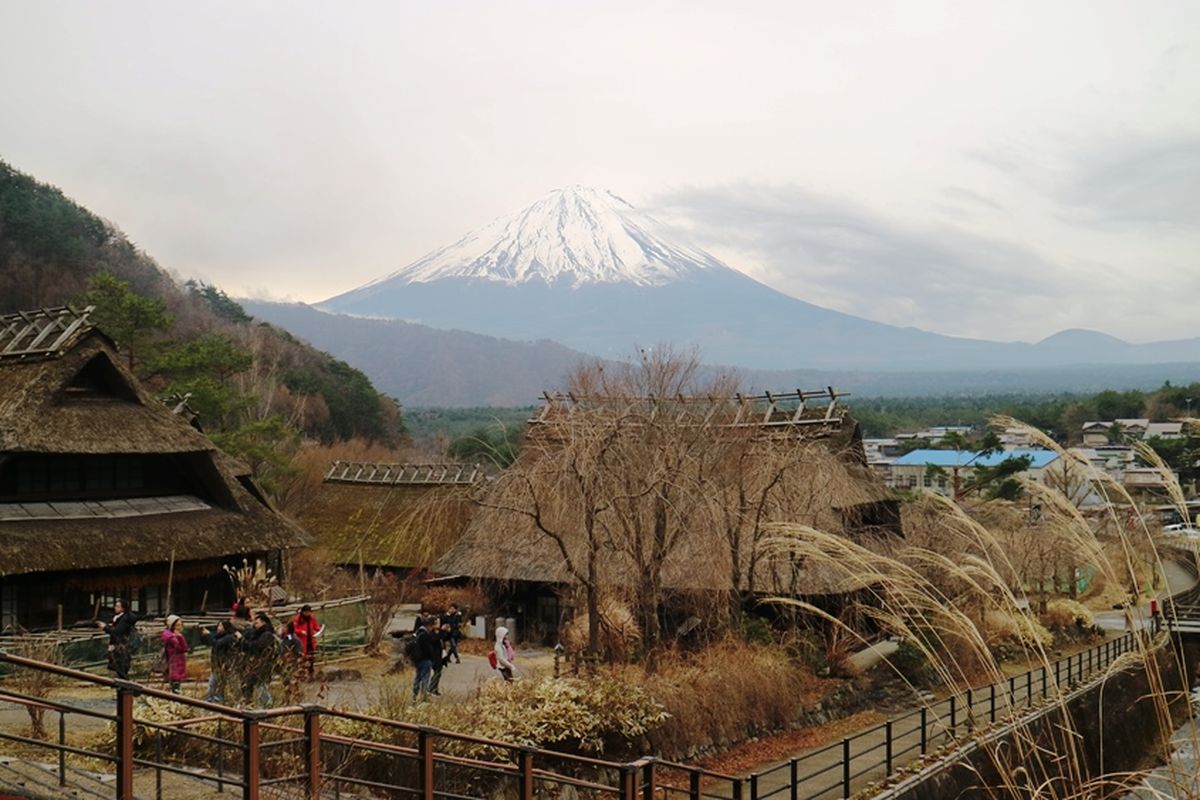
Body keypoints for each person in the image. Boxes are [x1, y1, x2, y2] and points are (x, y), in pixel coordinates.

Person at [240, 612, 278, 707]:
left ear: (263, 623)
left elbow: (257, 646)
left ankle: (267, 705)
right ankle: (249, 703)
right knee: (250, 684)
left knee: (261, 686)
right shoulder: (256, 633)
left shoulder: (267, 635)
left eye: (256, 623)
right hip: (255, 664)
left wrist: (244, 641)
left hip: (264, 664)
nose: (254, 625)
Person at [96, 599, 140, 680]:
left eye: (117, 606)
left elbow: (117, 632)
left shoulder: (124, 619)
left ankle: (125, 688)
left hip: (121, 647)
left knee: (121, 669)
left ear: (123, 608)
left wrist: (105, 627)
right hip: (116, 646)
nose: (115, 608)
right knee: (116, 668)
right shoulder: (118, 618)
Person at [199, 620, 238, 703]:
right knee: (215, 685)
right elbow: (211, 641)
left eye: (221, 626)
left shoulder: (229, 637)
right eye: (218, 626)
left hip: (223, 665)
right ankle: (213, 700)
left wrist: (209, 635)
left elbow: (216, 644)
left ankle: (214, 701)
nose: (218, 628)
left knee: (216, 685)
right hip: (217, 665)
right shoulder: (218, 636)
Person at [292, 604, 323, 680]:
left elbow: (315, 626)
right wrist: (301, 632)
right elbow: (294, 629)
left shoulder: (312, 617)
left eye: (309, 612)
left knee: (311, 658)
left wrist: (319, 630)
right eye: (306, 612)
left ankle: (310, 674)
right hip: (302, 641)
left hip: (311, 641)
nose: (307, 614)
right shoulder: (297, 619)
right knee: (302, 658)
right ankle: (302, 675)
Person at [160, 615, 190, 694]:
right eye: (178, 625)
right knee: (175, 684)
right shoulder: (172, 637)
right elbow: (183, 648)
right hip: (175, 662)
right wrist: (180, 637)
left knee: (175, 683)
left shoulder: (168, 634)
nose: (180, 627)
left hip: (176, 661)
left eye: (181, 624)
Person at [411, 621, 436, 700]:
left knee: (418, 677)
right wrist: (432, 656)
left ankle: (414, 694)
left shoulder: (417, 634)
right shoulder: (425, 635)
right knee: (425, 678)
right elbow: (428, 649)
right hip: (425, 659)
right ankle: (424, 696)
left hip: (417, 659)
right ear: (429, 626)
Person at [428, 623, 451, 696]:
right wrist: (442, 631)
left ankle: (435, 689)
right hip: (434, 656)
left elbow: (445, 638)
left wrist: (447, 631)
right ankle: (431, 688)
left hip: (440, 655)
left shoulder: (439, 633)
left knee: (438, 673)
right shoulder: (431, 634)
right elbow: (435, 639)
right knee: (437, 672)